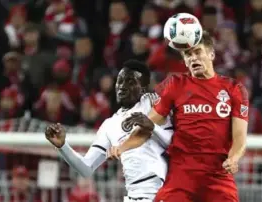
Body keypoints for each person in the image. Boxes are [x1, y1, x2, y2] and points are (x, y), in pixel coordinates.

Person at [109, 31, 249, 202]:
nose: (193, 58)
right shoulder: (176, 85)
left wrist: (233, 158)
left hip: (218, 176)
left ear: (211, 54)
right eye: (188, 54)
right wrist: (121, 146)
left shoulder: (234, 89)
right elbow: (147, 126)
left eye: (198, 52)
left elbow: (240, 137)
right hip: (181, 177)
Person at [45, 60, 173, 202]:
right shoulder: (110, 125)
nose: (122, 86)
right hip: (136, 197)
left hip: (167, 193)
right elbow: (86, 168)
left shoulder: (153, 105)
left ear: (143, 88)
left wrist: (152, 126)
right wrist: (62, 146)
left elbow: (178, 144)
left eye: (130, 81)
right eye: (120, 80)